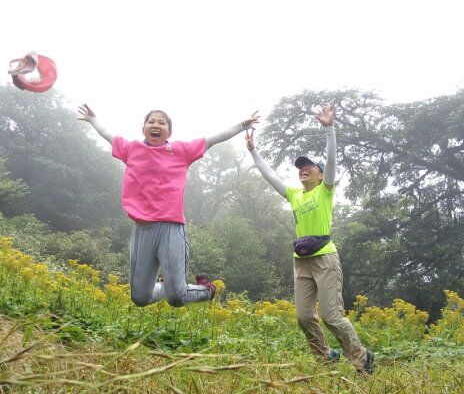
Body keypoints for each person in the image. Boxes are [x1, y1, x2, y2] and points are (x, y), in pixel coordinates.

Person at [78, 104, 259, 307]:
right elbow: (107, 134)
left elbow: (213, 139)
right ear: (144, 128)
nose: (156, 124)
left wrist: (242, 125)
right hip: (142, 230)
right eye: (151, 121)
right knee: (140, 297)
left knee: (177, 297)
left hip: (170, 227)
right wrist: (93, 119)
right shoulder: (131, 149)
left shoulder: (181, 151)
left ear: (169, 132)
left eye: (161, 122)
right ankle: (168, 285)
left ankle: (206, 290)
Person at [245, 105, 373, 374]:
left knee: (332, 316)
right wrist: (254, 152)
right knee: (303, 317)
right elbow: (270, 176)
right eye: (301, 167)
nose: (303, 169)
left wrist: (329, 128)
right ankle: (325, 355)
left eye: (309, 166)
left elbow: (333, 159)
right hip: (301, 260)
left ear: (320, 173)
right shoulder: (295, 195)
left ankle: (361, 358)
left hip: (325, 257)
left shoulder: (325, 190)